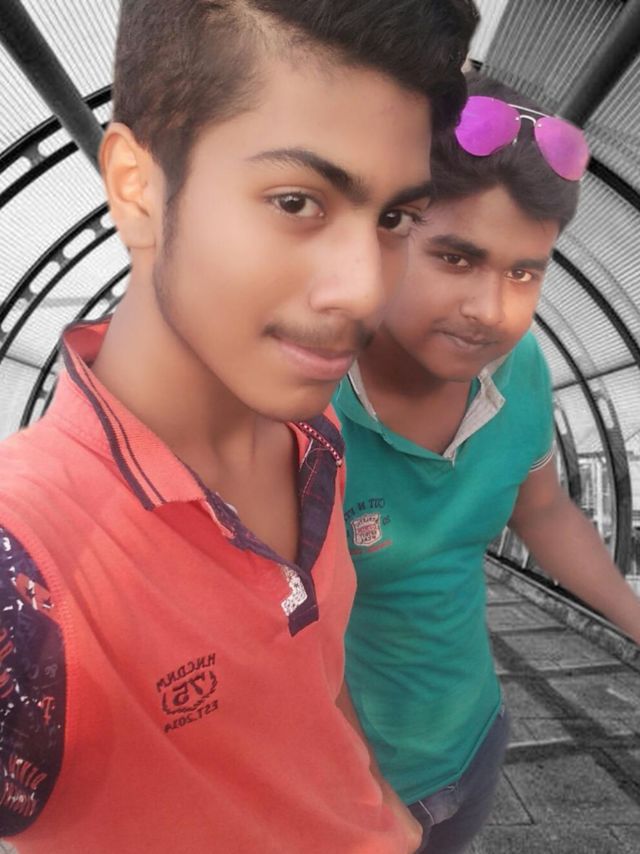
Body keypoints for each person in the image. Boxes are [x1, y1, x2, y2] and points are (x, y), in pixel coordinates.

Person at [0, 2, 480, 852]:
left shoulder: (318, 439)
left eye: (394, 219)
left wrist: (386, 810)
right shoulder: (27, 567)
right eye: (297, 201)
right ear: (136, 187)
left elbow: (314, 682)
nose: (366, 290)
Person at [333, 73, 640, 854]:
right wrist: (367, 799)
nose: (492, 310)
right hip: (342, 789)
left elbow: (542, 509)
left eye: (524, 272)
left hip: (471, 743)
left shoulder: (519, 368)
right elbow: (274, 631)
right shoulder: (302, 403)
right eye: (455, 257)